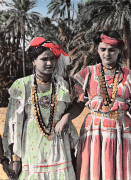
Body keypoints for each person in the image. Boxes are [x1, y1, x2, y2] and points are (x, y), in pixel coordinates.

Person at [54, 30, 131, 180]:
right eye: (103, 49)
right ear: (97, 50)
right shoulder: (88, 73)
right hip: (94, 130)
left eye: (112, 50)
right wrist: (65, 119)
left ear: (119, 51)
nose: (107, 54)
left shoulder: (130, 76)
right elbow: (79, 105)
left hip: (121, 130)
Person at [2, 37, 78, 179]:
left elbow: (70, 112)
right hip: (31, 145)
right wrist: (15, 158)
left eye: (52, 59)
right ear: (34, 61)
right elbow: (13, 125)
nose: (49, 63)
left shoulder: (62, 85)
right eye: (44, 59)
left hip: (59, 146)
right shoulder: (22, 86)